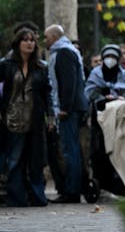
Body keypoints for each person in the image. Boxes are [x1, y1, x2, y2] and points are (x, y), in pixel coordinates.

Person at [0, 28, 54, 206]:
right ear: (18, 43)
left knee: (36, 159)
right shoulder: (6, 65)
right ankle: (16, 197)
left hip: (35, 118)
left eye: (32, 40)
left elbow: (48, 93)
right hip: (12, 118)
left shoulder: (41, 66)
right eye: (25, 40)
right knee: (14, 159)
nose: (30, 43)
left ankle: (38, 196)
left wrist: (51, 116)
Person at [44, 24, 88, 204]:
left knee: (70, 150)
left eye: (46, 37)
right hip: (71, 108)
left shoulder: (64, 53)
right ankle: (71, 188)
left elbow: (69, 83)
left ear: (54, 37)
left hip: (69, 110)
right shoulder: (65, 51)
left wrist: (65, 108)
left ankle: (72, 190)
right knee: (70, 149)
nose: (44, 40)